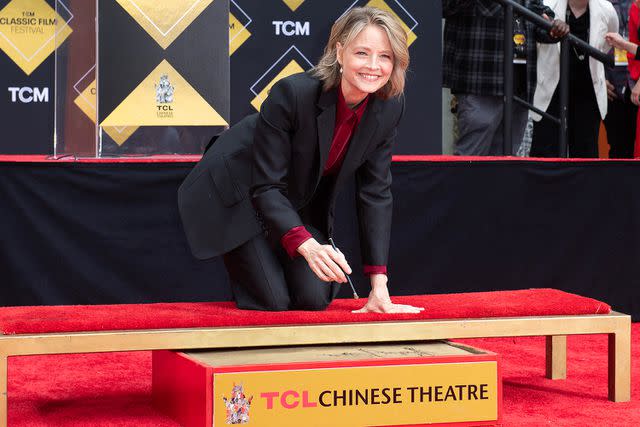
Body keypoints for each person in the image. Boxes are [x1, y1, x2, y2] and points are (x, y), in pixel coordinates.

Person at [178, 7, 423, 314]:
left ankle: (277, 241)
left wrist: (379, 286)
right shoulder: (292, 93)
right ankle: (258, 248)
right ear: (339, 52)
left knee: (313, 298)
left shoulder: (388, 106)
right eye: (362, 53)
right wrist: (306, 245)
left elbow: (375, 192)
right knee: (274, 301)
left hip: (292, 197)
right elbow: (265, 187)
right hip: (239, 190)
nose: (373, 66)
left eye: (385, 56)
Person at [442, 0, 569, 156]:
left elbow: (536, 13)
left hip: (519, 87)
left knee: (506, 165)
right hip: (481, 82)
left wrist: (552, 27)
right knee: (470, 161)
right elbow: (445, 6)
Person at [531, 0, 619, 158]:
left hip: (587, 93)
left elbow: (607, 44)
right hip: (551, 92)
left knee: (585, 157)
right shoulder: (548, 4)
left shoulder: (606, 9)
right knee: (545, 155)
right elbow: (536, 34)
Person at [603, 0, 637, 159]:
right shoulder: (600, 5)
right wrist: (600, 79)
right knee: (617, 148)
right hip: (611, 86)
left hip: (636, 86)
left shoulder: (636, 5)